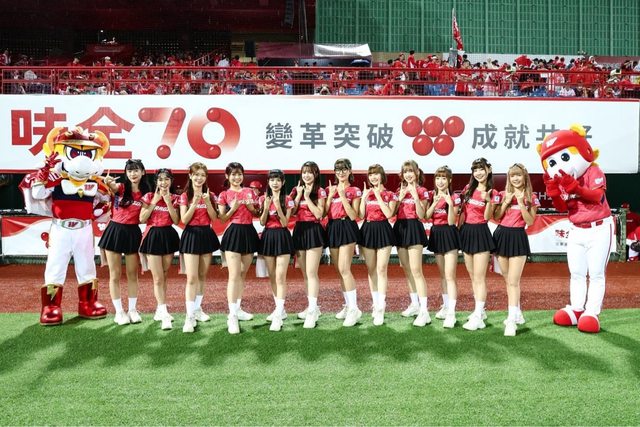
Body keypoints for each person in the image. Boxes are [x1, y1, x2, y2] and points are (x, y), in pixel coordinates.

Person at [99, 159, 151, 326]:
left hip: (133, 232)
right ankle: (119, 312)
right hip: (114, 231)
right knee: (115, 274)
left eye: (136, 170)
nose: (133, 174)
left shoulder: (147, 193)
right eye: (129, 171)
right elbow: (112, 187)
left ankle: (132, 310)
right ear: (126, 173)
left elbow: (145, 216)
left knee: (132, 274)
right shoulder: (121, 187)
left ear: (143, 172)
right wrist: (108, 182)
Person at [493, 163, 539, 336]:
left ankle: (511, 321)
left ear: (524, 177)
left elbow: (530, 221)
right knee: (507, 279)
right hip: (501, 236)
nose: (515, 178)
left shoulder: (531, 197)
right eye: (512, 175)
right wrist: (506, 201)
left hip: (518, 237)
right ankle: (517, 312)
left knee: (513, 281)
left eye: (518, 175)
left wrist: (520, 203)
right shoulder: (503, 194)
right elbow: (496, 216)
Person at [217, 162, 260, 334]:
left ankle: (238, 308)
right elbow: (222, 218)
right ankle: (232, 316)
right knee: (234, 275)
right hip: (233, 232)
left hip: (248, 231)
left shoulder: (250, 192)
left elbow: (257, 213)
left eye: (239, 174)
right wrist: (233, 209)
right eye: (233, 174)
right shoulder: (224, 194)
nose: (237, 177)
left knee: (242, 273)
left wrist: (251, 208)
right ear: (227, 176)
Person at [179, 162, 220, 333]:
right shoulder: (184, 196)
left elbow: (214, 218)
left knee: (202, 275)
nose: (199, 178)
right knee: (191, 278)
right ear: (190, 176)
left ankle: (197, 308)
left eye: (202, 175)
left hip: (206, 234)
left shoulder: (211, 195)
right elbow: (184, 220)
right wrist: (195, 203)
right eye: (196, 174)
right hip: (191, 235)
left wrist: (207, 201)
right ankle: (189, 316)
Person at [458, 157, 499, 331]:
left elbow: (488, 217)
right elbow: (462, 212)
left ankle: (478, 316)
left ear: (489, 169)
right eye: (475, 170)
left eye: (481, 169)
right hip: (466, 232)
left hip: (481, 232)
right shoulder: (468, 188)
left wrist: (488, 200)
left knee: (480, 277)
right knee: (472, 275)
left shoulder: (493, 192)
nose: (478, 173)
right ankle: (479, 311)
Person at [139, 169, 180, 331]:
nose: (163, 182)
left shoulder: (175, 198)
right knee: (157, 278)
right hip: (153, 235)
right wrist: (155, 201)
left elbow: (176, 220)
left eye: (167, 179)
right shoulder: (149, 196)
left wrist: (168, 202)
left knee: (163, 274)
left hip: (168, 235)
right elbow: (142, 218)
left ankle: (159, 309)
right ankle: (164, 312)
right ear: (156, 181)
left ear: (171, 181)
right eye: (160, 179)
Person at [392, 160, 431, 327]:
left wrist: (415, 197)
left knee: (416, 270)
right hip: (400, 228)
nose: (408, 174)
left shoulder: (423, 191)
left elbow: (422, 215)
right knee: (407, 269)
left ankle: (424, 311)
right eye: (405, 171)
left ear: (417, 173)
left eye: (411, 171)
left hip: (414, 227)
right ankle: (415, 304)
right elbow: (392, 212)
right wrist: (399, 198)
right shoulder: (398, 190)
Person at [358, 164, 398, 326]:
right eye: (371, 174)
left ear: (382, 176)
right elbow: (361, 214)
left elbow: (389, 214)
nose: (373, 177)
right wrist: (363, 198)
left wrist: (378, 196)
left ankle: (381, 306)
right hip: (367, 230)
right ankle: (375, 303)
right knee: (371, 269)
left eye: (376, 174)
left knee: (381, 269)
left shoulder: (390, 195)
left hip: (383, 230)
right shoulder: (366, 194)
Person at [325, 158, 362, 327]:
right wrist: (330, 196)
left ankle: (354, 308)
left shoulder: (354, 190)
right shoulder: (329, 189)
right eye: (338, 169)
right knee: (339, 271)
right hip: (332, 227)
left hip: (347, 226)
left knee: (345, 269)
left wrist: (341, 195)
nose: (341, 172)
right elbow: (324, 212)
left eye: (344, 169)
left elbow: (354, 215)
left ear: (350, 171)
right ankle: (348, 305)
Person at [291, 161, 327, 329]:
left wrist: (306, 197)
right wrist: (298, 195)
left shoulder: (320, 191)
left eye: (310, 172)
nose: (306, 175)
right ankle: (312, 307)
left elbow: (319, 214)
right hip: (299, 230)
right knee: (305, 273)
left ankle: (312, 311)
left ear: (316, 174)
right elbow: (291, 212)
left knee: (312, 272)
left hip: (314, 230)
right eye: (304, 172)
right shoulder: (295, 190)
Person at [258, 169, 295, 332]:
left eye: (278, 180)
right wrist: (266, 207)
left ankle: (278, 314)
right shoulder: (262, 199)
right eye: (272, 180)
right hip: (268, 236)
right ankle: (280, 308)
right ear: (268, 182)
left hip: (282, 236)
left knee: (280, 276)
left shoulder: (288, 199)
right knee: (272, 275)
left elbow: (285, 222)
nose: (275, 183)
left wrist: (278, 206)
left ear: (283, 182)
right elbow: (262, 222)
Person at [425, 166, 461, 329]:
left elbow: (452, 221)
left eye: (443, 178)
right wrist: (434, 202)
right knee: (443, 275)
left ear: (449, 180)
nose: (440, 181)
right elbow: (426, 216)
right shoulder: (431, 195)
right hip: (436, 233)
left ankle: (452, 313)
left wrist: (449, 203)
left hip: (449, 233)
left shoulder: (455, 197)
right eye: (438, 178)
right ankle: (446, 306)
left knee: (450, 275)